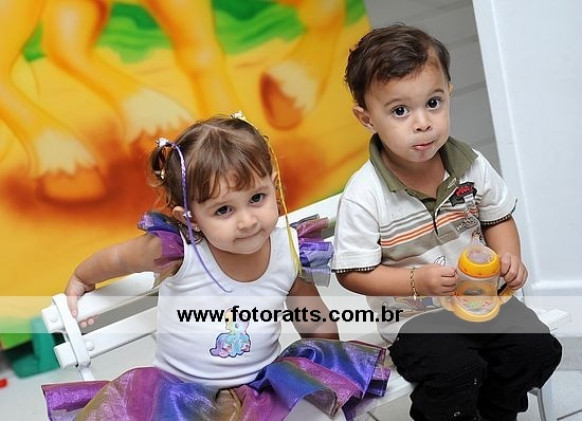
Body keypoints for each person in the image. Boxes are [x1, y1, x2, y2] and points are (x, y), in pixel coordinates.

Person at [42, 113, 389, 421]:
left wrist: (326, 364)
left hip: (261, 386)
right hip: (182, 395)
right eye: (224, 210)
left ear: (273, 184)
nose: (247, 220)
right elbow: (118, 259)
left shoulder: (289, 250)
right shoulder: (179, 251)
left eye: (257, 198)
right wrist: (81, 277)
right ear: (189, 218)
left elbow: (314, 320)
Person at [330, 24, 562, 421]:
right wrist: (416, 280)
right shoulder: (365, 194)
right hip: (416, 319)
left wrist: (509, 258)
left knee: (537, 349)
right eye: (400, 111)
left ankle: (494, 413)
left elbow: (498, 217)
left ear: (449, 93)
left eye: (433, 103)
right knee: (456, 370)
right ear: (366, 118)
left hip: (483, 300)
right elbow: (353, 273)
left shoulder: (470, 164)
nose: (422, 123)